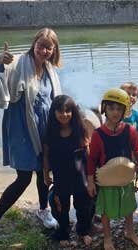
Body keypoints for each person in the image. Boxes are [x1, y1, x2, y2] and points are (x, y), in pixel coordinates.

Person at [0, 28, 61, 245]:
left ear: (54, 50)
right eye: (41, 45)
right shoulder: (17, 63)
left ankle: (43, 209)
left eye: (49, 47)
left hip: (45, 130)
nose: (44, 50)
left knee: (43, 173)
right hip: (22, 130)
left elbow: (55, 102)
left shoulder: (51, 70)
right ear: (34, 44)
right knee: (23, 177)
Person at [86, 88, 138, 250]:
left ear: (125, 111)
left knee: (129, 206)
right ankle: (108, 237)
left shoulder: (130, 131)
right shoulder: (98, 134)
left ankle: (130, 231)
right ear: (104, 109)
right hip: (106, 179)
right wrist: (90, 181)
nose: (115, 112)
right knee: (106, 210)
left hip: (125, 177)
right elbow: (92, 159)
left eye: (119, 109)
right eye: (111, 108)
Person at [43, 95, 93, 247]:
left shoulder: (80, 129)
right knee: (60, 207)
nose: (64, 115)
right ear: (54, 112)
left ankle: (83, 231)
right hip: (60, 177)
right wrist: (46, 174)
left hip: (80, 176)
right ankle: (63, 232)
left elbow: (89, 155)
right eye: (60, 111)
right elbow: (45, 156)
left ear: (73, 112)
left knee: (84, 206)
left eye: (68, 111)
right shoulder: (50, 132)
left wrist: (92, 177)